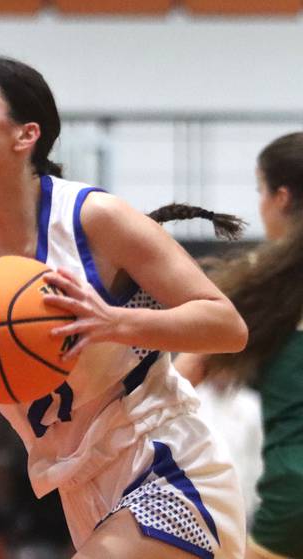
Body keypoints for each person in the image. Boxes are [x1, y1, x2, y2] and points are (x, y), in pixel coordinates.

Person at [0, 56, 249, 559]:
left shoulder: (94, 219)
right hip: (76, 490)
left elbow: (227, 326)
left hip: (168, 460)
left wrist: (115, 322)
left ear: (26, 136)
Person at [175, 131, 303, 559]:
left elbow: (179, 381)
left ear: (281, 197)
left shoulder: (265, 284)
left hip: (294, 497)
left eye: (260, 190)